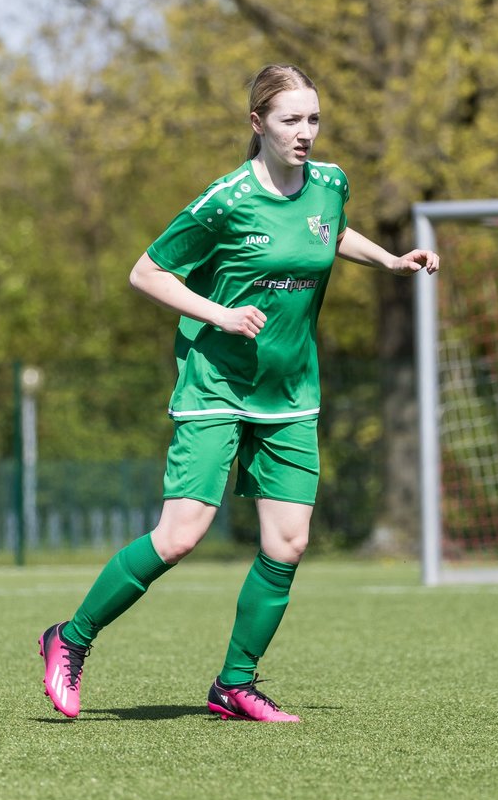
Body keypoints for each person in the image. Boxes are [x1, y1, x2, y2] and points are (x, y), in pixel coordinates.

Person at [38, 64, 440, 722]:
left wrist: (393, 261)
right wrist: (220, 315)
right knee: (181, 535)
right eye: (290, 120)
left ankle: (234, 683)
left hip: (289, 389)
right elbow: (147, 272)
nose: (305, 132)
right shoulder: (226, 200)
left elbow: (331, 233)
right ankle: (70, 638)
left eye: (312, 119)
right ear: (258, 125)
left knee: (288, 543)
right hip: (216, 384)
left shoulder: (331, 183)